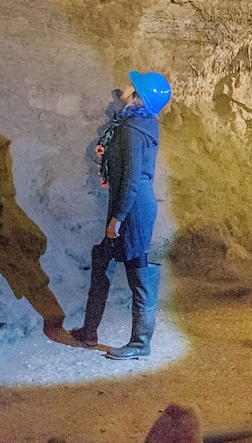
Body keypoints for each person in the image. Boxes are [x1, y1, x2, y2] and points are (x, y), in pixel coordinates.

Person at [71, 70, 172, 359]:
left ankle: (140, 344)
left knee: (139, 272)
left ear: (139, 96)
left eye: (133, 86)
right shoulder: (138, 122)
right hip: (128, 201)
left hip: (133, 208)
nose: (125, 87)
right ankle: (89, 331)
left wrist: (117, 218)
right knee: (102, 259)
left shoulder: (132, 129)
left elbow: (130, 178)